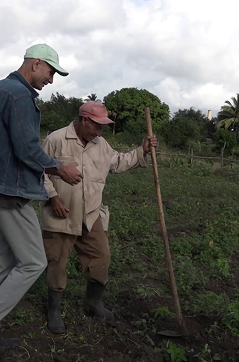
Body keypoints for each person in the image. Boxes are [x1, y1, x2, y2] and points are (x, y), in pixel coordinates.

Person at [0, 43, 83, 360]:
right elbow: (27, 148)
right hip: (9, 192)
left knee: (1, 261)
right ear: (36, 64)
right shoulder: (19, 97)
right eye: (51, 72)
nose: (52, 80)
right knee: (33, 262)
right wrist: (59, 168)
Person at [41, 101, 158, 333]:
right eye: (97, 126)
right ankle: (53, 311)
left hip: (91, 214)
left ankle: (93, 302)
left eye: (103, 127)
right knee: (57, 262)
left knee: (101, 258)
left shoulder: (100, 144)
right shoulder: (56, 139)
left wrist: (141, 150)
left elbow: (117, 162)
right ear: (84, 121)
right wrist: (54, 197)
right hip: (61, 213)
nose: (100, 132)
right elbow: (38, 171)